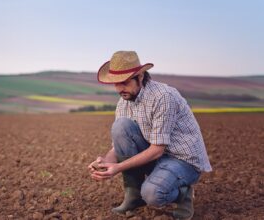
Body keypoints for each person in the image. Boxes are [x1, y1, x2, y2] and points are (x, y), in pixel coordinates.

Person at [88, 51, 212, 219]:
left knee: (153, 195)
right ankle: (134, 196)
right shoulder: (124, 101)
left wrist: (117, 168)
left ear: (140, 77)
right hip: (156, 156)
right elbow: (118, 146)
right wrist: (105, 162)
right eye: (115, 84)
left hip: (183, 160)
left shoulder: (163, 97)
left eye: (124, 82)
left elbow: (157, 150)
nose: (119, 89)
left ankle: (183, 194)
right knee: (120, 126)